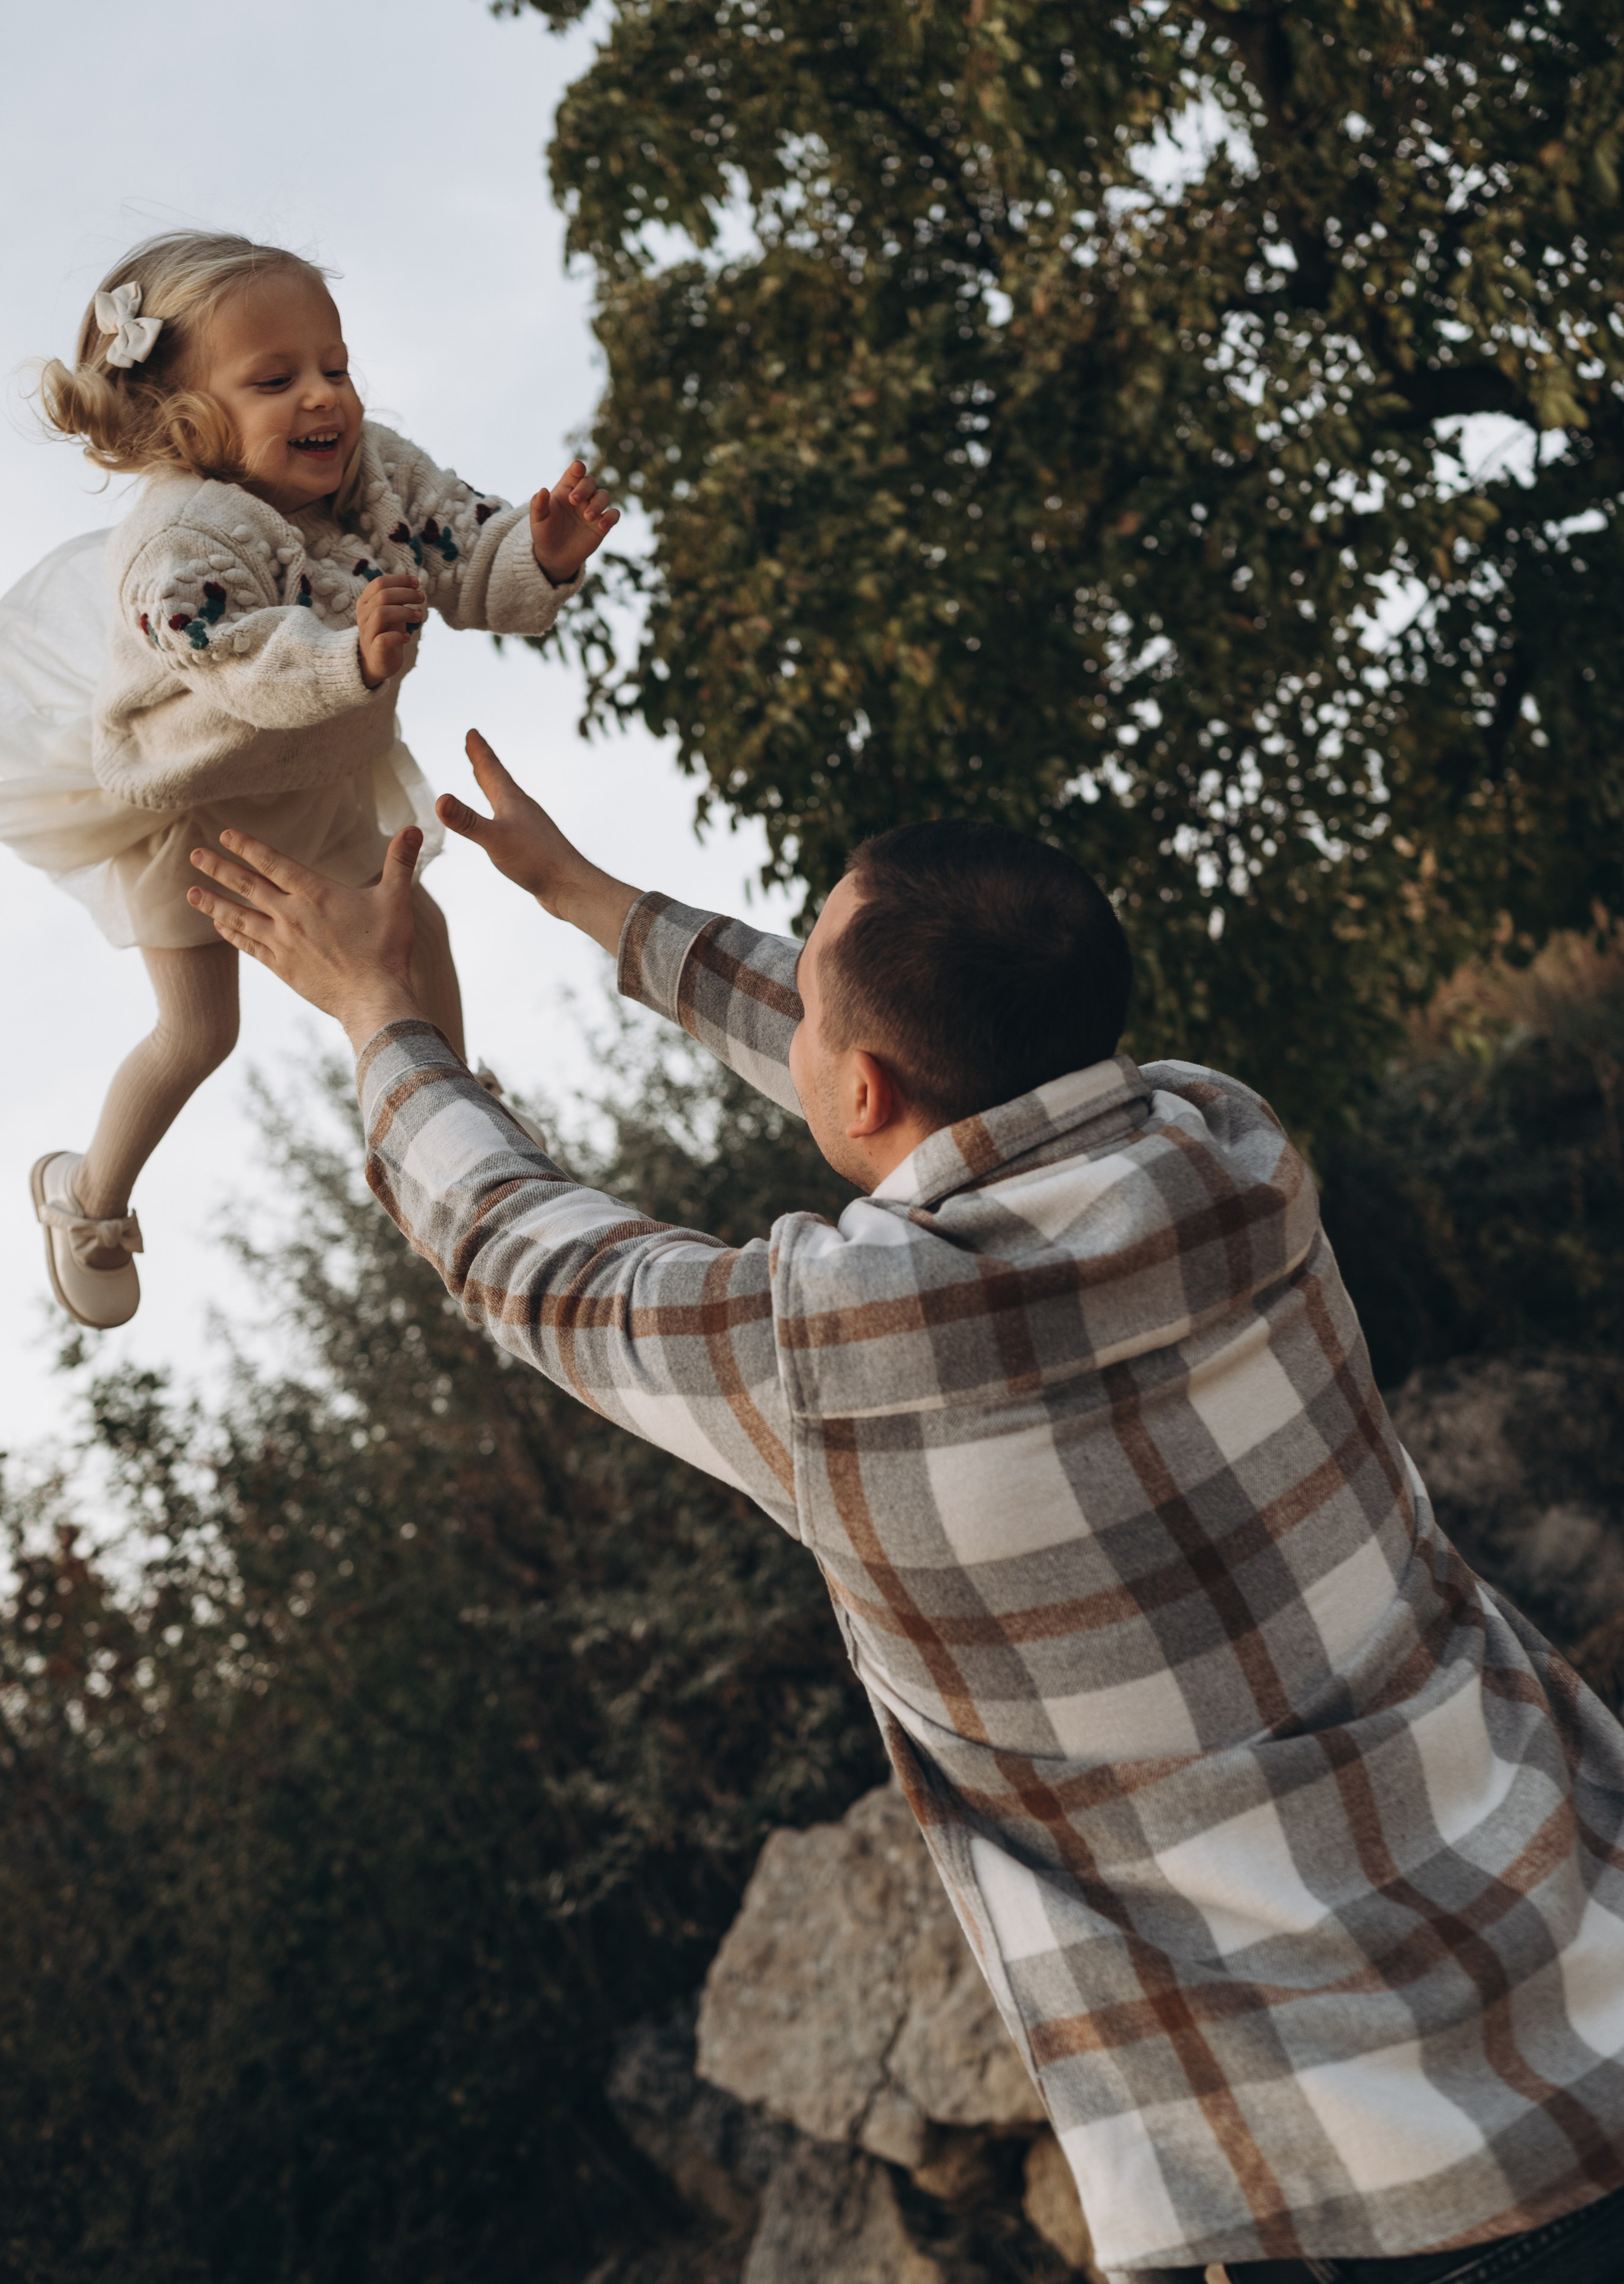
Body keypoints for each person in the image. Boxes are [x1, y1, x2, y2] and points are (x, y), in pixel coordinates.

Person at [181, 743, 1624, 2284]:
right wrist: (585, 898)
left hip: (1364, 2191)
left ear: (859, 1083)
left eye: (809, 998)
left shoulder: (835, 1355)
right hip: (1586, 1965)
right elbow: (936, 1061)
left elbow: (523, 1253)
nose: (792, 1012)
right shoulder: (1228, 1146)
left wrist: (382, 1018)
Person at [0, 229, 617, 1331]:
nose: (324, 396)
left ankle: (453, 1121)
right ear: (186, 419)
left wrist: (541, 554)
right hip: (195, 799)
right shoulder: (174, 541)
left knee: (412, 927)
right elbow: (231, 663)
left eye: (333, 365)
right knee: (200, 1035)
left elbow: (463, 543)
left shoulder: (376, 470)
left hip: (318, 771)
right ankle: (85, 1198)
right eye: (275, 380)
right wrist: (349, 661)